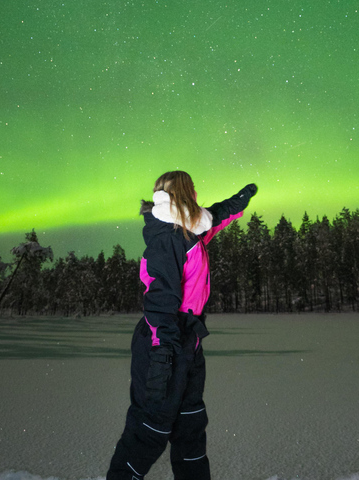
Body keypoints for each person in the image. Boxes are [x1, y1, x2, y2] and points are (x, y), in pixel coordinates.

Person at [106, 171, 258, 480]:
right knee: (150, 428)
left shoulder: (189, 229)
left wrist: (239, 201)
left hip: (187, 340)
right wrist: (163, 353)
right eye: (193, 189)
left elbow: (215, 218)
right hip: (163, 343)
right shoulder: (168, 237)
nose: (198, 192)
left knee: (190, 425)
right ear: (183, 193)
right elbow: (160, 296)